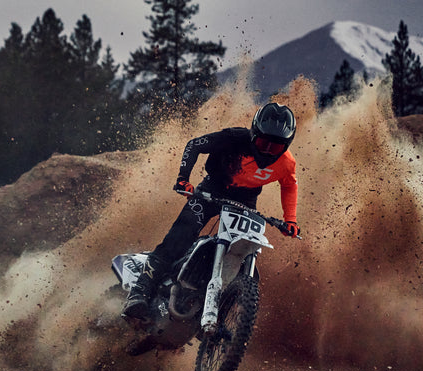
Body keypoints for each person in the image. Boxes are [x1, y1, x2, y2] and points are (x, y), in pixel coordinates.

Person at [122, 102, 301, 329]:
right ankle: (139, 293)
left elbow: (289, 185)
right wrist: (183, 179)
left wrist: (290, 220)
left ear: (286, 146)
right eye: (263, 143)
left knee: (243, 250)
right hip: (210, 191)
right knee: (178, 240)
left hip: (245, 202)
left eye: (275, 147)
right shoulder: (233, 138)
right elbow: (194, 145)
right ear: (253, 134)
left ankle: (221, 306)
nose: (267, 151)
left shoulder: (287, 163)